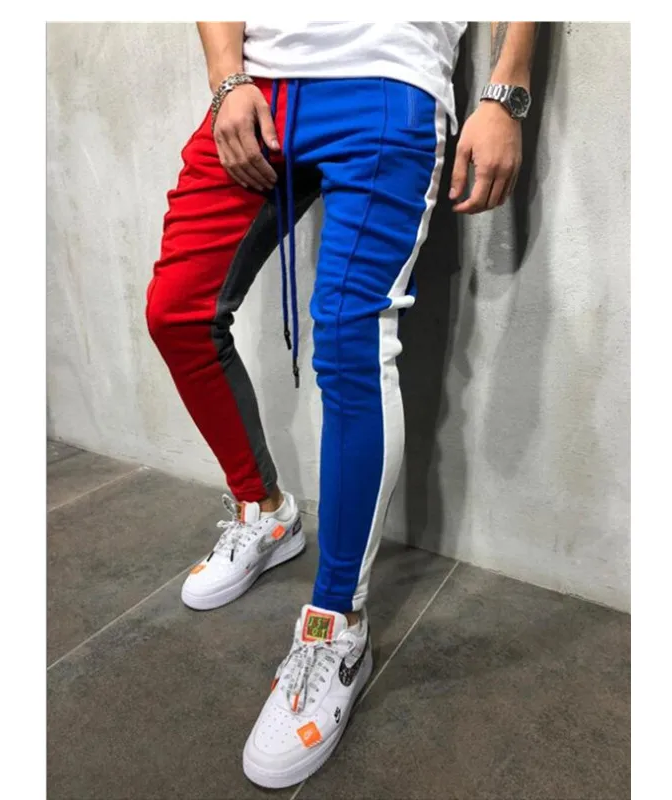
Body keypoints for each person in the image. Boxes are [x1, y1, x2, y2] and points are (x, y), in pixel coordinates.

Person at [146, 21, 539, 788]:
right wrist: (227, 79)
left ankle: (336, 628)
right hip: (260, 88)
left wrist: (505, 93)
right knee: (177, 312)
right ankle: (266, 512)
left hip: (389, 76)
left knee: (352, 344)